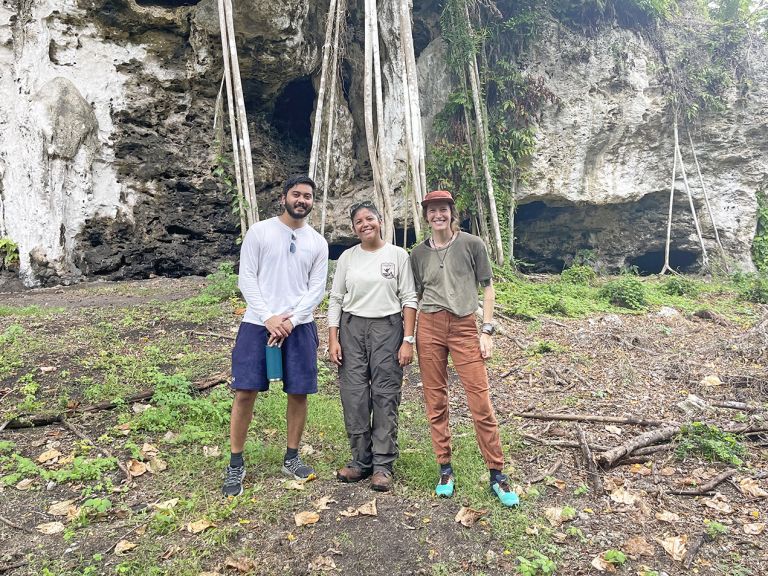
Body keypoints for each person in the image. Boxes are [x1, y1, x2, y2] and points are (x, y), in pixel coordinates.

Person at [410, 190, 518, 507]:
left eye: (443, 209)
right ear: (426, 215)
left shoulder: (472, 244)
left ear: (452, 213)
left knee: (479, 399)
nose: (438, 215)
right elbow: (414, 297)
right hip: (429, 325)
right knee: (435, 397)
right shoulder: (418, 255)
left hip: (464, 325)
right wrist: (408, 337)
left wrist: (486, 330)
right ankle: (445, 469)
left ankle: (497, 473)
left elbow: (488, 288)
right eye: (432, 211)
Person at [222, 175, 329, 497]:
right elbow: (247, 278)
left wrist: (292, 319)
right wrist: (269, 317)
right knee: (245, 392)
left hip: (300, 326)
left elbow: (317, 288)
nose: (302, 200)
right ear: (284, 198)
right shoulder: (260, 232)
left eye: (308, 196)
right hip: (257, 323)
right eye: (296, 194)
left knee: (299, 392)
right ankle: (236, 462)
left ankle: (292, 456)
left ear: (312, 202)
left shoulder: (317, 242)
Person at [328, 201, 417, 492]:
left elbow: (409, 298)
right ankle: (360, 460)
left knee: (385, 394)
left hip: (387, 328)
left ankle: (383, 464)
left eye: (370, 219)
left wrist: (407, 340)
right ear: (353, 228)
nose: (365, 224)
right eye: (358, 222)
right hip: (352, 329)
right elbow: (336, 299)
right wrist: (333, 337)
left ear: (380, 221)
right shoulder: (347, 258)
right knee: (353, 394)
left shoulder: (397, 255)